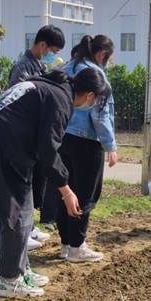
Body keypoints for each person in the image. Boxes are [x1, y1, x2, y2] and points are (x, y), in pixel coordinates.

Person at [0, 68, 109, 298]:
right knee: (16, 212)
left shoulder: (50, 87)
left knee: (14, 210)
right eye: (96, 99)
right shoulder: (60, 99)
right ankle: (9, 280)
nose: (94, 103)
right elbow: (48, 151)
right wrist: (66, 190)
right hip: (4, 147)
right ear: (89, 95)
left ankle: (20, 269)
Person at [57, 35, 117, 263]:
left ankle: (65, 244)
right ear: (102, 55)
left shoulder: (66, 67)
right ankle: (77, 246)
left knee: (65, 191)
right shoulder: (95, 74)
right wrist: (110, 145)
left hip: (62, 138)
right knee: (84, 194)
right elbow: (101, 114)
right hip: (87, 141)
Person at [9, 24, 66, 249]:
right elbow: (18, 96)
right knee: (23, 184)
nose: (54, 56)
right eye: (53, 50)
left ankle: (30, 226)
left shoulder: (39, 65)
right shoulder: (23, 67)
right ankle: (22, 231)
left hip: (34, 134)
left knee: (33, 183)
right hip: (22, 132)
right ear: (42, 45)